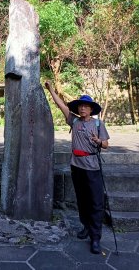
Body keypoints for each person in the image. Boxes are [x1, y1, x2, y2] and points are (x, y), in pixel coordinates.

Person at [45, 81, 110, 254]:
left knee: (96, 202)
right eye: (80, 106)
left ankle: (95, 238)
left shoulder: (98, 124)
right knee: (82, 200)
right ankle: (87, 227)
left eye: (86, 107)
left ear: (91, 110)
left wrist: (98, 141)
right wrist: (51, 89)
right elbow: (61, 106)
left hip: (93, 168)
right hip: (76, 166)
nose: (82, 109)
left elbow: (106, 145)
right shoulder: (74, 121)